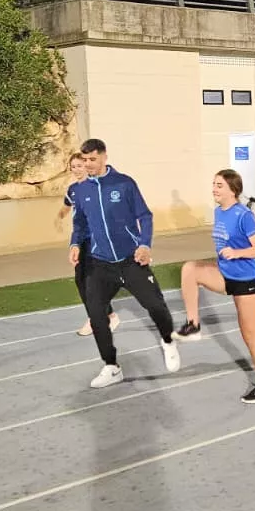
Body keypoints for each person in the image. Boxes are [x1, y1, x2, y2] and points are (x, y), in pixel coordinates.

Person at [68, 138, 181, 387]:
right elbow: (80, 224)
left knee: (156, 306)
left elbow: (145, 216)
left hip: (130, 260)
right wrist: (75, 244)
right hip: (100, 264)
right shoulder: (82, 190)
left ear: (104, 157)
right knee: (97, 315)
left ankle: (168, 341)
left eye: (92, 160)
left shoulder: (124, 183)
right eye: (84, 160)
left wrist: (144, 244)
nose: (87, 165)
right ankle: (111, 366)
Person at [174, 169, 255, 403]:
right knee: (190, 269)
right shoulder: (218, 212)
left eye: (219, 185)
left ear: (233, 190)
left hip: (245, 280)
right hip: (224, 273)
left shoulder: (243, 215)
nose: (214, 189)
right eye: (213, 184)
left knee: (249, 335)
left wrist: (236, 252)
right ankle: (193, 325)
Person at [59, 152, 118, 338]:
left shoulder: (98, 186)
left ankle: (99, 318)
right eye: (73, 166)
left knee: (93, 280)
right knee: (80, 280)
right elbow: (70, 209)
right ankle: (107, 314)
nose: (77, 169)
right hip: (81, 239)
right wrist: (60, 218)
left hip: (97, 240)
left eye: (80, 165)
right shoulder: (73, 190)